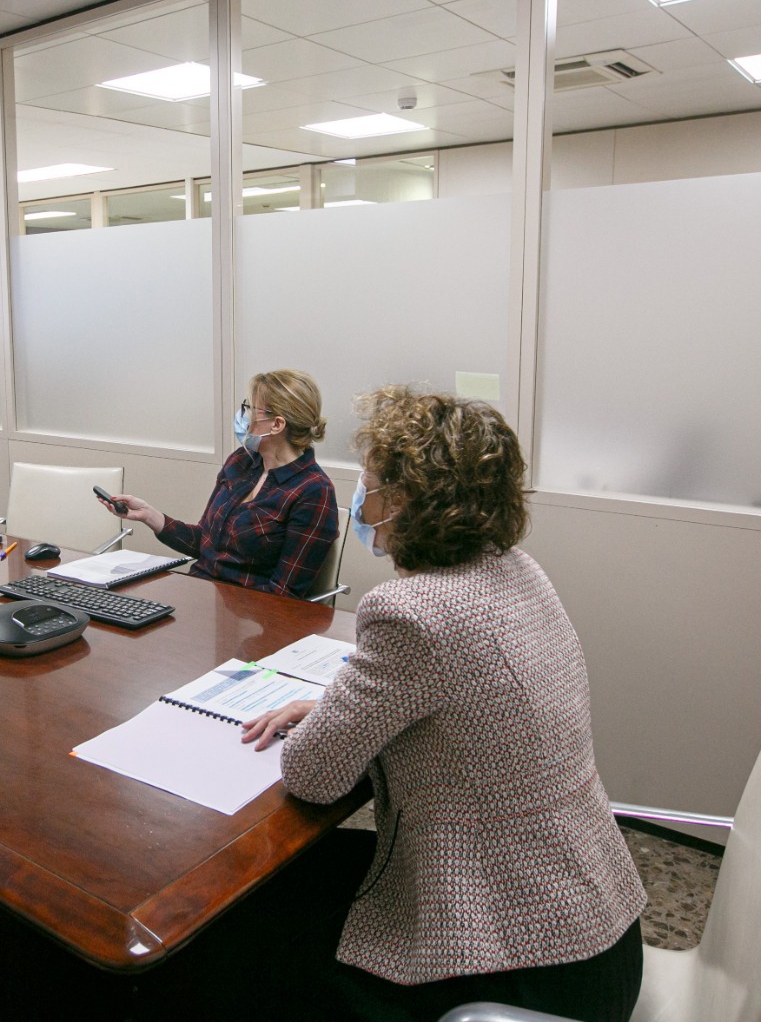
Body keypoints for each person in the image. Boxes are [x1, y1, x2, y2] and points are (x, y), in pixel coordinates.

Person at [241, 387, 646, 1022]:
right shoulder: (518, 569)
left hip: (514, 975)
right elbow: (456, 704)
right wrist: (338, 709)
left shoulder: (412, 612)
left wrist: (331, 717)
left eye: (370, 480)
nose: (361, 496)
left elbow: (313, 775)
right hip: (599, 930)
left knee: (249, 950)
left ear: (402, 500)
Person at [102, 369, 338, 599]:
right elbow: (205, 542)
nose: (243, 416)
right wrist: (149, 515)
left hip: (250, 614)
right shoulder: (242, 461)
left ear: (277, 424)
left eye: (250, 409)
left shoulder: (314, 491)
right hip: (202, 595)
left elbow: (284, 595)